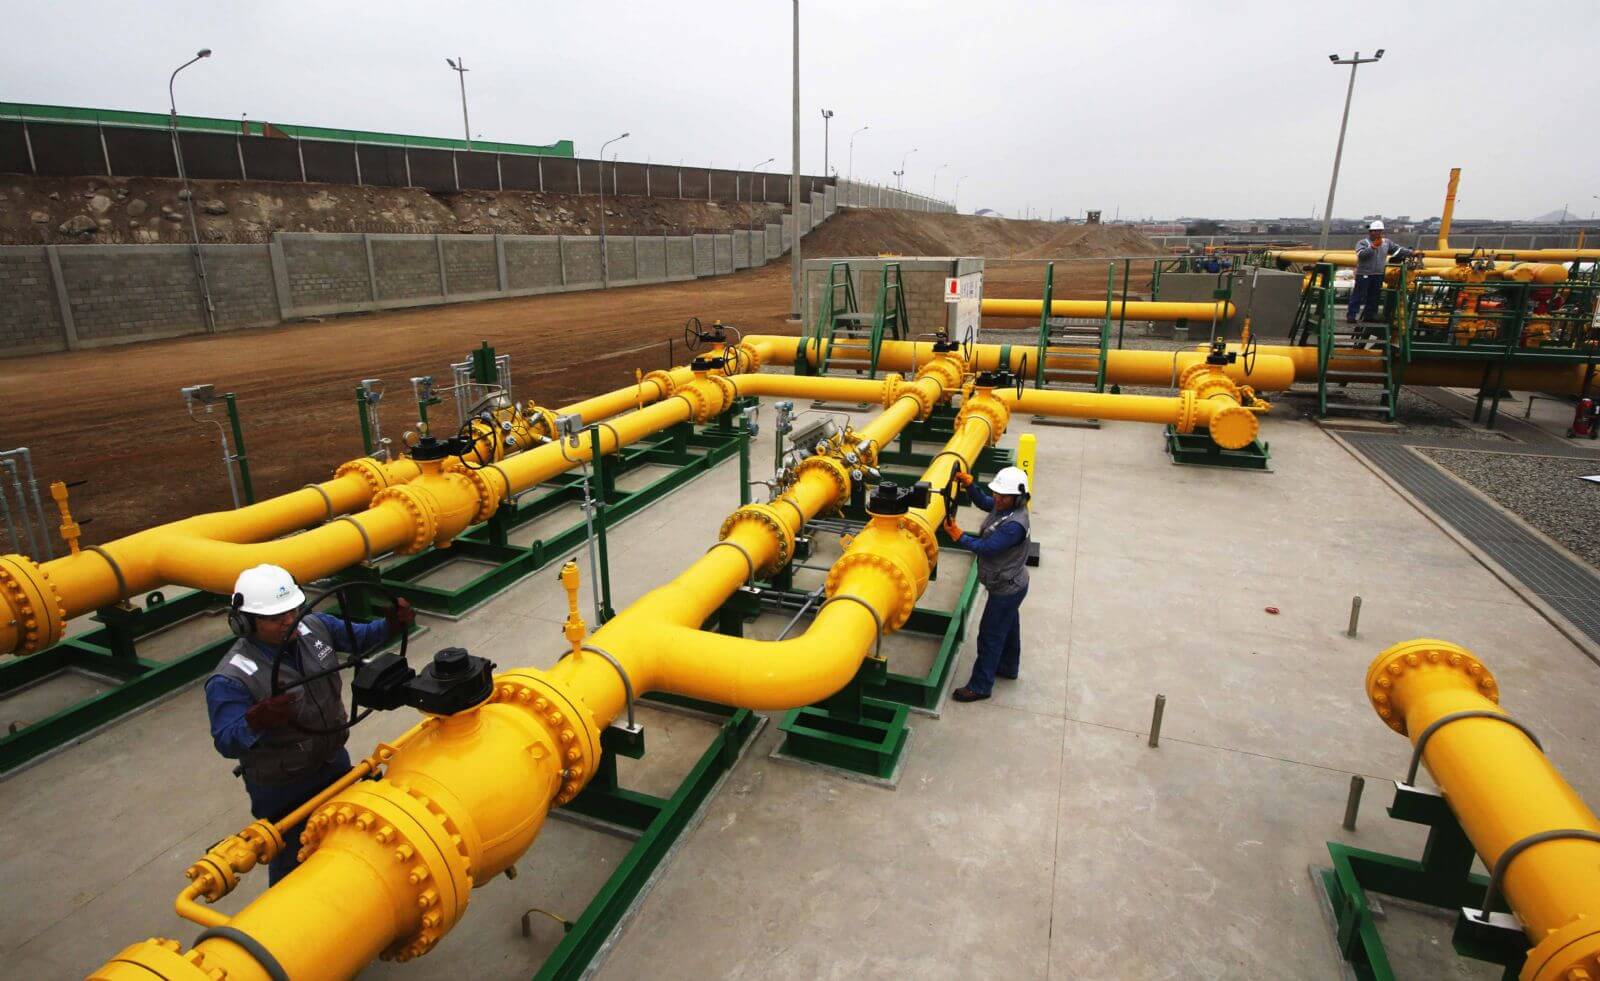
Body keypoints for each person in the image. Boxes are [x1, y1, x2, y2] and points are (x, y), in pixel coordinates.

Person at [205, 564, 413, 884]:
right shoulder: (231, 678)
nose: (290, 621)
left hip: (332, 761)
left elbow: (359, 638)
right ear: (245, 623)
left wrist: (389, 625)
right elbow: (225, 740)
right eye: (276, 617)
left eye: (293, 610)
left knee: (347, 838)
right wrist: (255, 721)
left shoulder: (315, 627)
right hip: (283, 787)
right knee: (295, 862)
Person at [941, 466, 1031, 703]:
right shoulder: (1006, 507)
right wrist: (970, 485)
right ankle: (1008, 667)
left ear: (1018, 498)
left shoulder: (1014, 525)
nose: (997, 499)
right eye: (996, 493)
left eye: (1003, 496)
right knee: (1008, 626)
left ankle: (980, 686)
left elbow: (987, 548)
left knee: (990, 636)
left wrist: (959, 535)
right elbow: (984, 502)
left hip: (1006, 588)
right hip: (1012, 584)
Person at [1348, 220, 1417, 326]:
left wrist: (1412, 253)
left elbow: (1397, 250)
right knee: (1359, 295)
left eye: (1380, 231)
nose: (1378, 233)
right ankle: (1351, 316)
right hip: (1364, 274)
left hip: (1378, 274)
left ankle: (1369, 316)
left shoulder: (1386, 243)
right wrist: (1372, 247)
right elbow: (1361, 255)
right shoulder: (1362, 243)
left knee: (1374, 296)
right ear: (1370, 232)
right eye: (1375, 231)